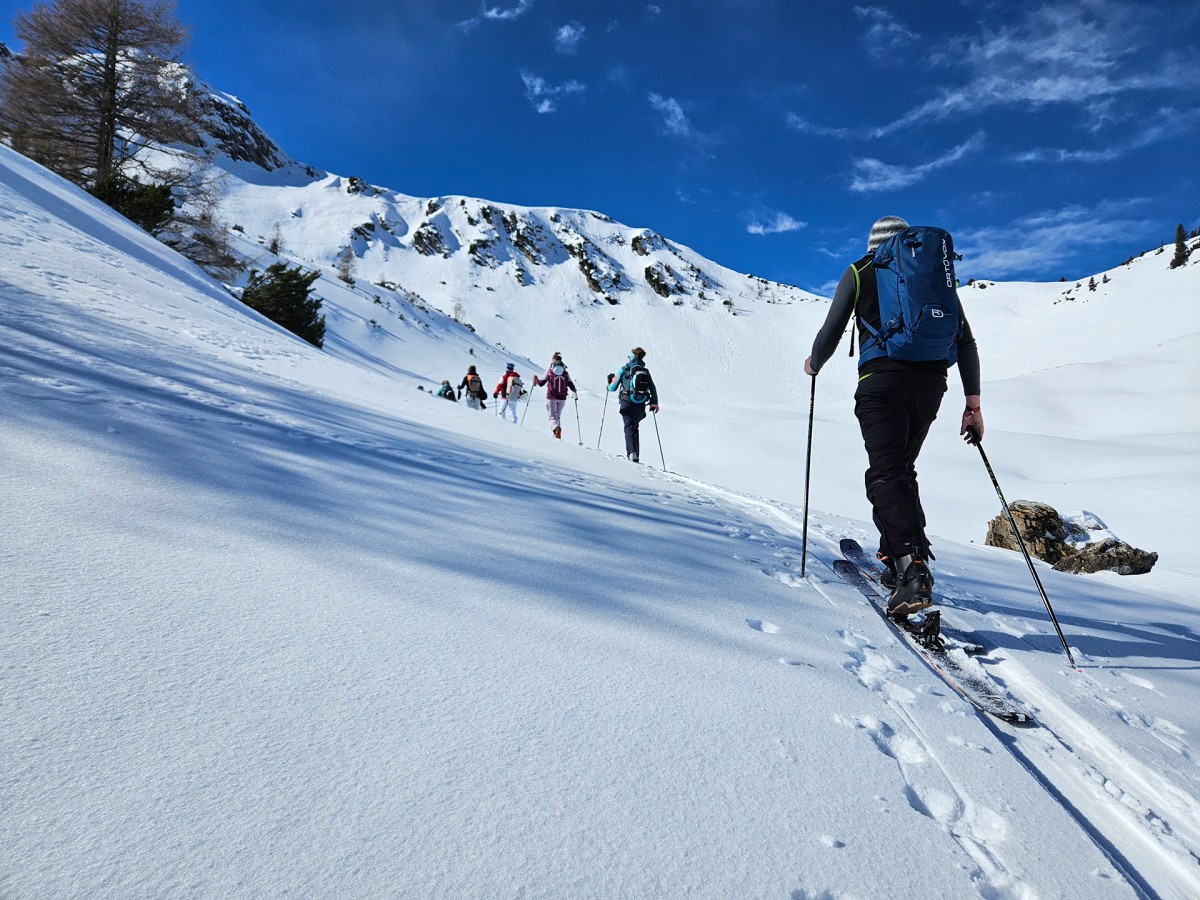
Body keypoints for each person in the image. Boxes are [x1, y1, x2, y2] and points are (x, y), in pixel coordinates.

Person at [804, 215, 983, 617]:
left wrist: (814, 363)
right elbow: (966, 342)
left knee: (887, 472)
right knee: (901, 469)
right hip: (931, 383)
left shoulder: (860, 270)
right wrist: (973, 405)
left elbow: (831, 331)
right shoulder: (932, 277)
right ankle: (896, 557)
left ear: (874, 244)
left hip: (881, 380)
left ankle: (910, 568)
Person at [606, 347, 659, 462]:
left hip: (627, 402)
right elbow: (652, 387)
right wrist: (655, 403)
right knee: (634, 428)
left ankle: (632, 453)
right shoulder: (645, 371)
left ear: (631, 357)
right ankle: (635, 455)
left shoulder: (624, 369)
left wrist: (609, 382)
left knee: (629, 427)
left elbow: (612, 388)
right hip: (640, 404)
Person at [532, 352, 578, 439]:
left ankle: (556, 429)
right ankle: (556, 435)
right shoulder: (565, 372)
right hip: (562, 398)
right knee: (557, 416)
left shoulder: (550, 371)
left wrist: (535, 379)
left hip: (551, 397)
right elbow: (571, 385)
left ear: (553, 361)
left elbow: (541, 383)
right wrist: (574, 391)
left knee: (552, 416)